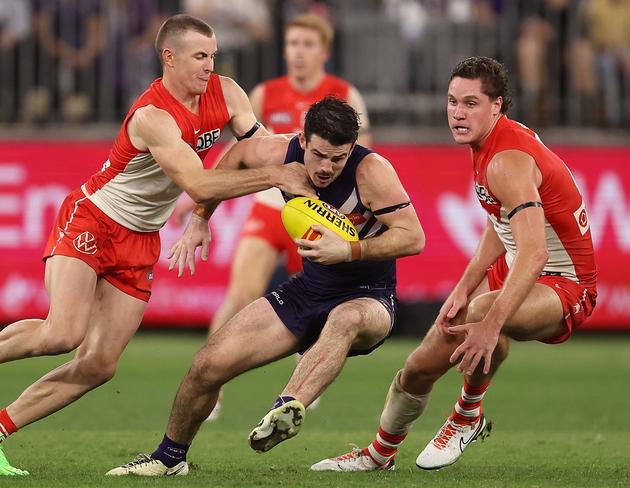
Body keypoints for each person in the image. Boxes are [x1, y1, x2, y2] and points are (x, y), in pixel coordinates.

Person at [0, 14, 314, 477]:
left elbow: (257, 145)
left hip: (142, 238)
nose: (210, 66)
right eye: (200, 56)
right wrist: (274, 176)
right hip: (95, 219)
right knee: (63, 333)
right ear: (169, 57)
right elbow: (198, 182)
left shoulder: (226, 92)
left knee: (100, 365)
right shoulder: (153, 117)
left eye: (213, 55)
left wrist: (308, 152)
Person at [106, 96, 425, 476]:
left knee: (345, 319)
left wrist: (349, 250)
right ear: (303, 140)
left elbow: (414, 238)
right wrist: (200, 217)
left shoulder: (372, 171)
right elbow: (237, 156)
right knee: (207, 366)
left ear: (351, 150)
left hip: (369, 296)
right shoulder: (279, 152)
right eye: (319, 155)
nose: (326, 168)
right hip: (308, 290)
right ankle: (169, 458)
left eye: (337, 159)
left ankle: (286, 407)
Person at [311, 56, 598, 472]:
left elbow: (535, 253)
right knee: (417, 369)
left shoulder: (506, 161)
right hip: (517, 271)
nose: (458, 113)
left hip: (567, 285)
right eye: (452, 102)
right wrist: (465, 286)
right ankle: (378, 455)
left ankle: (467, 415)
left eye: (470, 103)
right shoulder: (486, 144)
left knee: (485, 316)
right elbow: (499, 224)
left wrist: (489, 321)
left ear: (497, 105)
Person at [175, 13, 373, 421]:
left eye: (306, 45)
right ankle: (211, 390)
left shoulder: (342, 94)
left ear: (324, 52)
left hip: (320, 215)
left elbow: (363, 154)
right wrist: (197, 198)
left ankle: (302, 385)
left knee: (321, 303)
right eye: (291, 44)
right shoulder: (266, 93)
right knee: (240, 292)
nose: (297, 53)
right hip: (270, 207)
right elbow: (243, 153)